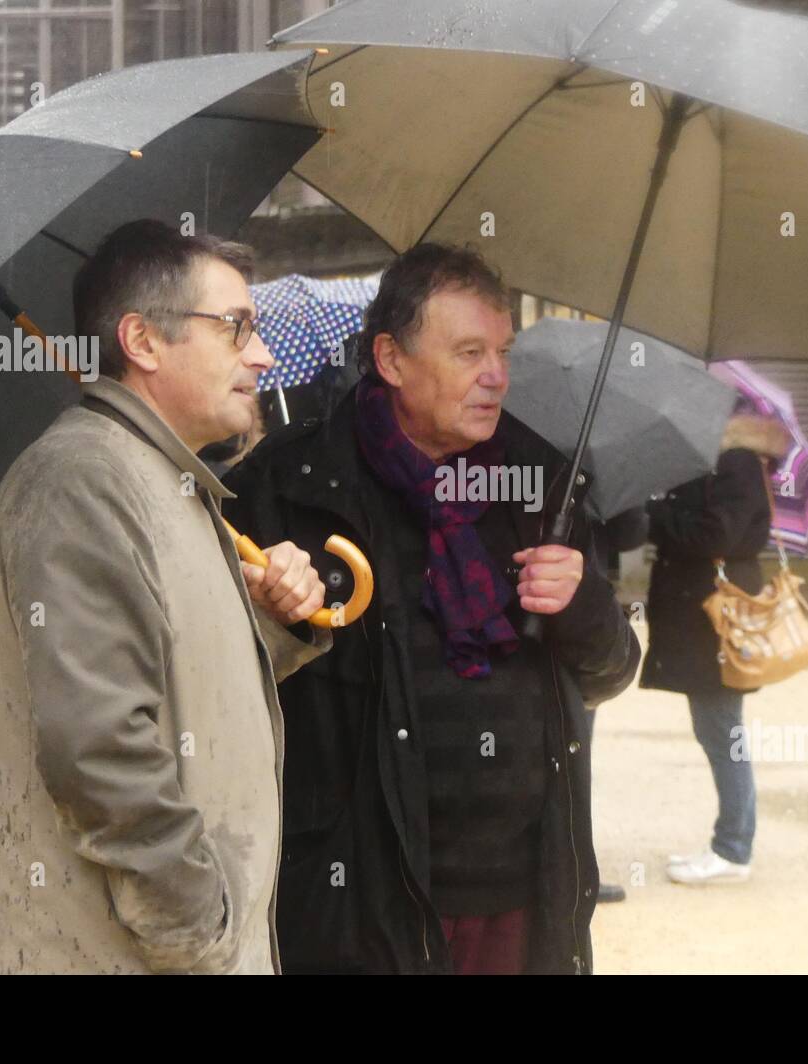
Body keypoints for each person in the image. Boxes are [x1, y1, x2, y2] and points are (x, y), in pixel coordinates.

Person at [222, 243, 641, 974]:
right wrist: (274, 615)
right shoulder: (289, 486)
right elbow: (225, 693)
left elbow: (610, 671)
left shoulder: (541, 481)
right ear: (390, 358)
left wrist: (584, 603)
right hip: (360, 896)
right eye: (469, 352)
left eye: (502, 351)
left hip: (522, 891)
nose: (496, 377)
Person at [0, 219, 329, 974]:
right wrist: (197, 928)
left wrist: (268, 622)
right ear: (143, 342)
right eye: (235, 327)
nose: (262, 354)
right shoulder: (84, 483)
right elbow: (101, 747)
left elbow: (177, 683)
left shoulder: (165, 480)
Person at [639, 414, 790, 885]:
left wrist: (656, 513)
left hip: (718, 618)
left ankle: (732, 849)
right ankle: (730, 844)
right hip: (702, 616)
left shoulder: (737, 462)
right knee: (716, 730)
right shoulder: (712, 462)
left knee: (724, 732)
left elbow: (716, 535)